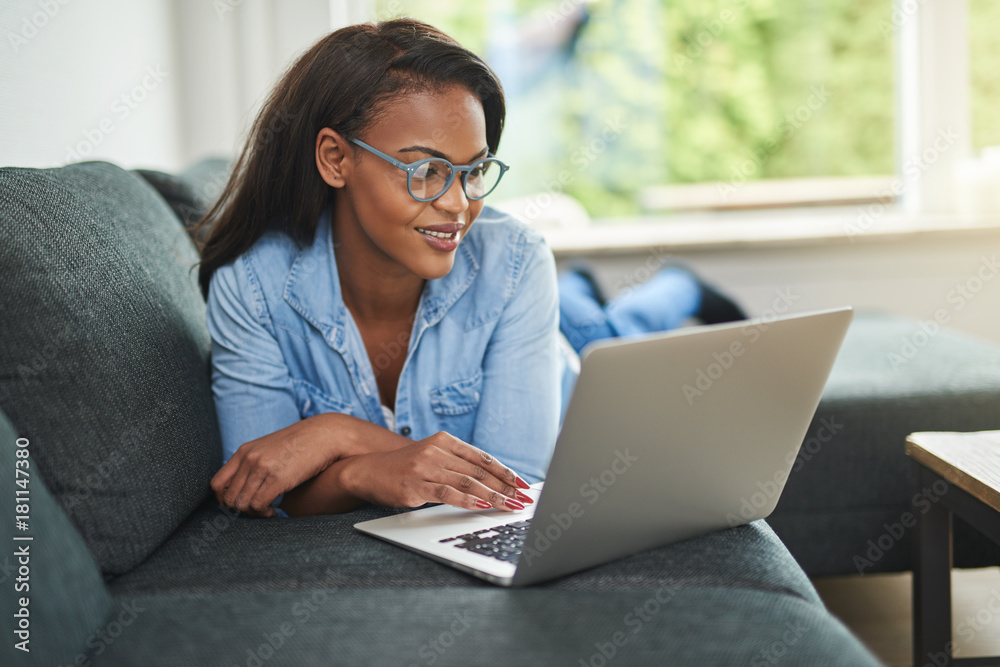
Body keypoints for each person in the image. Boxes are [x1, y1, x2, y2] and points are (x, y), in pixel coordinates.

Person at [198, 18, 743, 520]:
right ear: (336, 159)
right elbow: (262, 493)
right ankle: (605, 290)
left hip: (559, 364)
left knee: (610, 334)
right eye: (427, 171)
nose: (459, 204)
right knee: (594, 319)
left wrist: (335, 436)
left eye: (474, 169)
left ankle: (680, 286)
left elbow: (515, 487)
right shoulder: (251, 287)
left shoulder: (514, 263)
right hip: (538, 317)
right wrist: (367, 471)